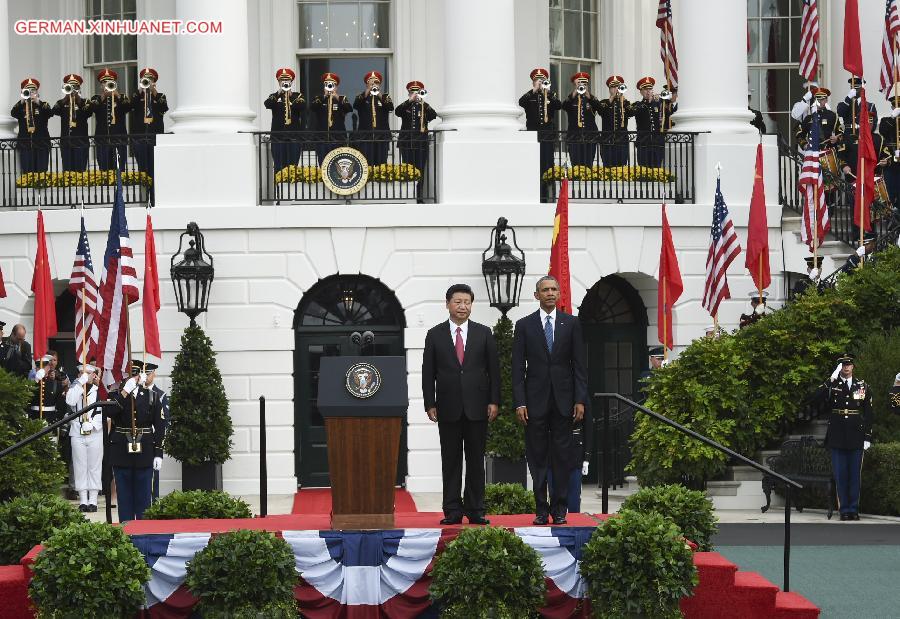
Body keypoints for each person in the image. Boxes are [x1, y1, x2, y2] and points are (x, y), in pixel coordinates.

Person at [422, 284, 500, 525]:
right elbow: (428, 372)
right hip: (447, 407)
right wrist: (429, 403)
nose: (462, 306)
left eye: (467, 302)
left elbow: (494, 372)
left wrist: (494, 401)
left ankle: (476, 510)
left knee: (476, 461)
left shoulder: (484, 332)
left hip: (478, 407)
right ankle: (453, 511)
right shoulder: (434, 334)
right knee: (451, 460)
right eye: (458, 302)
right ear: (447, 304)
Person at [512, 275, 587, 525]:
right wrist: (520, 402)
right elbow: (516, 369)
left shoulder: (572, 323)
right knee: (538, 457)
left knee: (562, 457)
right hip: (534, 403)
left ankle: (560, 509)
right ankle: (541, 510)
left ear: (560, 294)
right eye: (545, 290)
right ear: (537, 295)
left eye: (554, 289)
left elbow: (580, 366)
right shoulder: (524, 325)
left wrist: (580, 400)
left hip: (565, 402)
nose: (550, 293)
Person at [813, 354, 873, 521]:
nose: (846, 367)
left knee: (855, 475)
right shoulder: (833, 385)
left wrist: (867, 436)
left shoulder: (862, 385)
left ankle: (853, 509)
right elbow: (814, 398)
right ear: (839, 367)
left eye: (849, 364)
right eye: (843, 365)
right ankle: (844, 510)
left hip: (856, 435)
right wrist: (830, 380)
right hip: (837, 435)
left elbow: (868, 413)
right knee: (841, 474)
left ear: (853, 366)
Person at [109, 360, 164, 521]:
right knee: (124, 498)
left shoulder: (151, 396)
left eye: (135, 374)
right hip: (121, 452)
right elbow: (110, 412)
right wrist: (125, 392)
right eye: (129, 375)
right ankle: (125, 533)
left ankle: (143, 533)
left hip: (145, 452)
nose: (133, 378)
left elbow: (160, 426)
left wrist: (159, 452)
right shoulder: (117, 396)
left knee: (144, 497)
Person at [65, 363, 104, 512]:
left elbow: (102, 412)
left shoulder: (98, 392)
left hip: (94, 433)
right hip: (77, 431)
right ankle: (83, 500)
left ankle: (93, 500)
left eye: (88, 373)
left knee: (94, 466)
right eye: (81, 372)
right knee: (80, 466)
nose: (85, 375)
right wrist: (80, 383)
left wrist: (93, 424)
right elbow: (70, 401)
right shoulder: (76, 389)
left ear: (94, 375)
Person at [519, 68, 562, 186]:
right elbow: (521, 102)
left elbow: (559, 105)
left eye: (542, 80)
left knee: (547, 161)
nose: (540, 82)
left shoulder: (550, 95)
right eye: (537, 80)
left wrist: (547, 92)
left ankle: (547, 186)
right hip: (534, 133)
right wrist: (534, 90)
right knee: (534, 160)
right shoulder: (529, 95)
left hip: (548, 134)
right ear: (533, 82)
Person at [264, 67, 306, 174]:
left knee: (293, 167)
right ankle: (279, 190)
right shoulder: (274, 96)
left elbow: (302, 106)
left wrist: (289, 96)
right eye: (282, 81)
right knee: (279, 166)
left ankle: (291, 190)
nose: (285, 83)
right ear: (279, 82)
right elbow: (267, 104)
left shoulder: (297, 96)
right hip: (278, 138)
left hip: (294, 138)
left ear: (291, 82)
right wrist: (279, 93)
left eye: (287, 81)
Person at [129, 67, 168, 183]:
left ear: (154, 81)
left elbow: (164, 108)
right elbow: (131, 105)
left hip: (155, 138)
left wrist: (154, 92)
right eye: (145, 79)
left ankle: (155, 197)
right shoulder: (137, 96)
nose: (147, 82)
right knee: (142, 170)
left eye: (150, 79)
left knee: (155, 169)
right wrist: (140, 91)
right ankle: (145, 197)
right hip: (139, 137)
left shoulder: (160, 96)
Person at [89, 68, 132, 171]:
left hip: (119, 138)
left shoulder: (121, 97)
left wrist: (116, 94)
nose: (106, 84)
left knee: (119, 168)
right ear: (101, 85)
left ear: (114, 83)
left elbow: (128, 107)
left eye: (109, 82)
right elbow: (92, 109)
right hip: (102, 139)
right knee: (104, 169)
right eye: (104, 82)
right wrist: (103, 96)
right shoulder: (96, 98)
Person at [631, 77, 676, 168]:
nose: (648, 91)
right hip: (643, 142)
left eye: (650, 89)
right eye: (645, 89)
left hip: (657, 142)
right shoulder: (638, 105)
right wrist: (649, 102)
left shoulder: (659, 104)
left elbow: (668, 116)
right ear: (641, 92)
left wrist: (664, 102)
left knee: (657, 168)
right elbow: (633, 112)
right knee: (643, 169)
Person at [395, 81, 437, 175]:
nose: (415, 94)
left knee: (420, 170)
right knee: (407, 170)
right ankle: (410, 190)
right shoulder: (406, 106)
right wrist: (409, 100)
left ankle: (419, 190)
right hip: (406, 142)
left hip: (421, 142)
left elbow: (433, 115)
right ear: (409, 93)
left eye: (417, 91)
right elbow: (397, 112)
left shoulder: (424, 106)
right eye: (413, 92)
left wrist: (423, 102)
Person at [11, 77, 52, 174]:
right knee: (27, 171)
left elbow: (50, 113)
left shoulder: (43, 105)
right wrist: (22, 101)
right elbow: (13, 113)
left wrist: (37, 101)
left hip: (42, 143)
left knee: (41, 171)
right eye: (28, 91)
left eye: (33, 90)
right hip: (25, 143)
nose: (31, 93)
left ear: (37, 92)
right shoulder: (20, 106)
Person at [310, 72, 352, 165]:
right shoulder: (319, 98)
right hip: (322, 138)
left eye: (332, 85)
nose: (329, 86)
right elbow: (312, 107)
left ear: (336, 87)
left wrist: (336, 96)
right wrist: (325, 96)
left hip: (338, 138)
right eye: (327, 84)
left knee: (338, 164)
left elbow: (349, 108)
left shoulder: (341, 98)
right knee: (323, 164)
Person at [52, 74, 91, 172]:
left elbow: (88, 112)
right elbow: (54, 111)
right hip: (66, 143)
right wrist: (66, 98)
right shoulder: (62, 102)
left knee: (80, 170)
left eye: (75, 87)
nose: (72, 89)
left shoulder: (85, 102)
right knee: (67, 171)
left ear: (78, 88)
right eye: (70, 86)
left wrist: (77, 99)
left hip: (81, 142)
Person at [354, 70, 394, 166]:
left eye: (376, 82)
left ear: (379, 84)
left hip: (382, 136)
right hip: (365, 137)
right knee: (367, 164)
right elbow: (356, 105)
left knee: (381, 164)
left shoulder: (384, 97)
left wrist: (379, 94)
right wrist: (367, 92)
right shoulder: (362, 96)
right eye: (371, 83)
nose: (374, 84)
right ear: (367, 84)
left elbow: (390, 107)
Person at [596, 75, 633, 167]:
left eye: (618, 87)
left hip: (622, 141)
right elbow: (600, 111)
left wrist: (623, 101)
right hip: (607, 141)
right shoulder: (604, 102)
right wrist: (611, 98)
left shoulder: (625, 103)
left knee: (621, 167)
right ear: (609, 89)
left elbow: (632, 112)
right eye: (613, 87)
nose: (616, 89)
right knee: (608, 166)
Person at [146, 368, 169, 501]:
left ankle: (152, 504)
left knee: (153, 477)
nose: (146, 377)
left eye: (148, 374)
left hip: (152, 439)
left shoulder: (159, 394)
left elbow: (163, 421)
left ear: (154, 374)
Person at [28, 351, 68, 422]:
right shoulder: (31, 383)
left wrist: (56, 419)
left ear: (48, 367)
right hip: (34, 419)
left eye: (43, 366)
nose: (41, 369)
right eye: (38, 366)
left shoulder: (56, 384)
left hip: (50, 419)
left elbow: (61, 406)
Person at [878, 83, 900, 212]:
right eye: (895, 106)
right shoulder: (887, 120)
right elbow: (883, 131)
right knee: (890, 194)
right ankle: (892, 226)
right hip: (891, 163)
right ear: (892, 107)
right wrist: (893, 117)